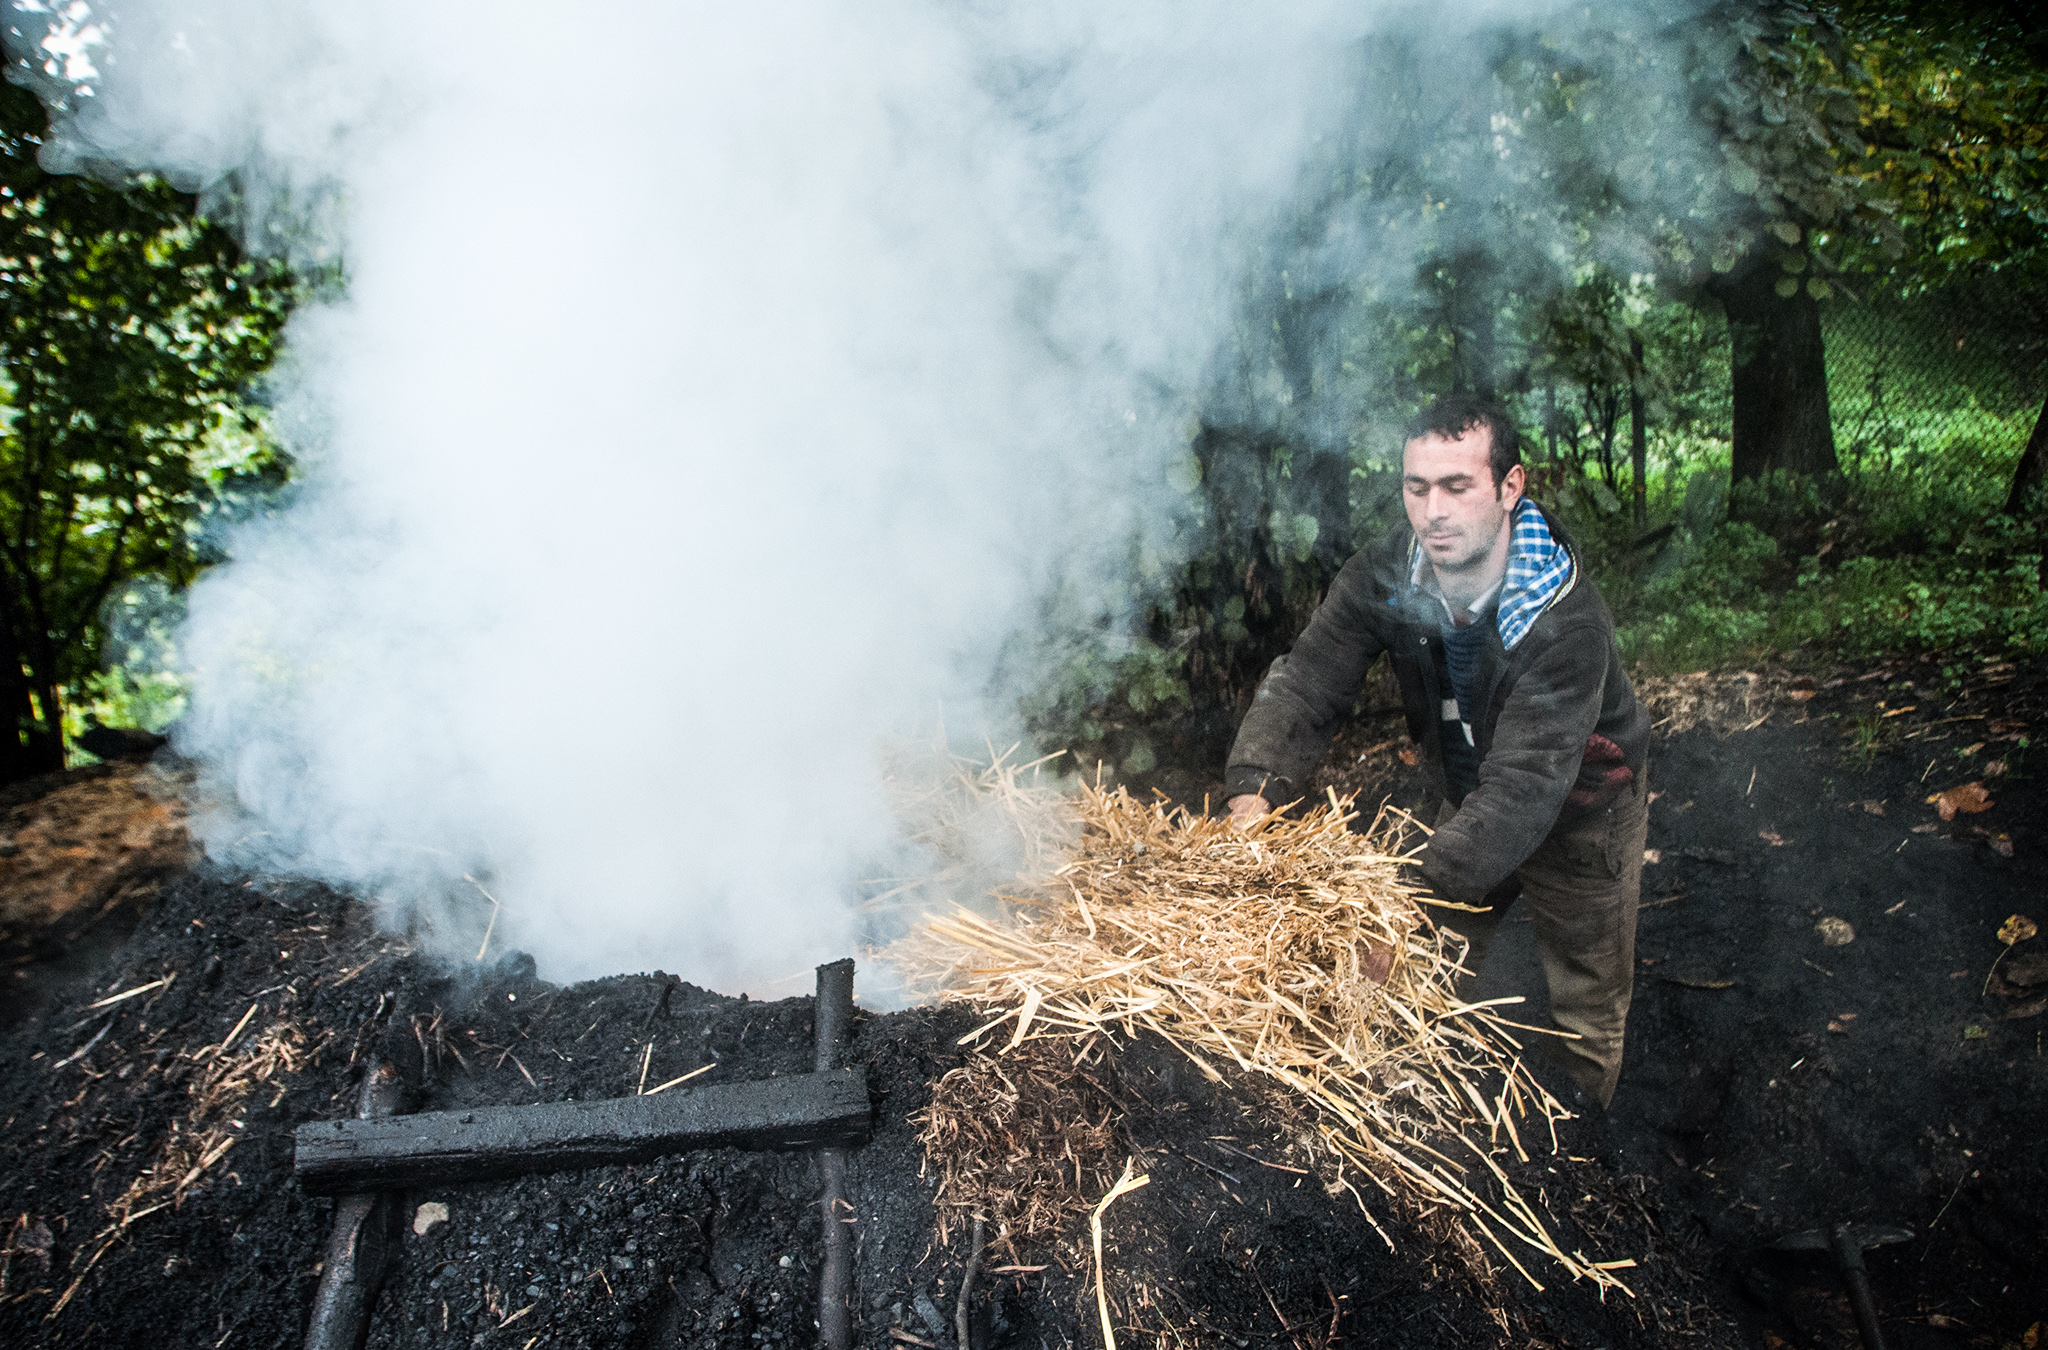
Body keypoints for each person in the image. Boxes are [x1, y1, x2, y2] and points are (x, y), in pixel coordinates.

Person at [1221, 393, 1650, 1106]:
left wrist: (1404, 902)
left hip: (1580, 805)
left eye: (1458, 486)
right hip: (1472, 783)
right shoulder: (1388, 573)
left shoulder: (1564, 620)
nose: (1433, 512)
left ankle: (1583, 1159)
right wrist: (1254, 791)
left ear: (1511, 487)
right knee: (1415, 971)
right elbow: (1306, 682)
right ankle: (1417, 1117)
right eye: (1417, 488)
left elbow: (1522, 794)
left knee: (1585, 1003)